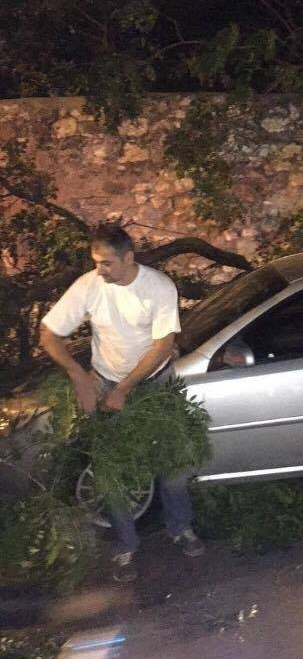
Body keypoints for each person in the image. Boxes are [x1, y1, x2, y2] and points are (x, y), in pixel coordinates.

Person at [39, 223, 204, 583]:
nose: (99, 270)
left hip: (155, 384)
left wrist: (125, 388)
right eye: (96, 262)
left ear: (129, 258)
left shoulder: (158, 287)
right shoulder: (89, 286)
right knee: (110, 467)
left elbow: (162, 345)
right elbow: (49, 334)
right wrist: (79, 376)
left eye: (107, 263)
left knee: (172, 463)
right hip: (105, 380)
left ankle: (181, 528)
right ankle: (126, 543)